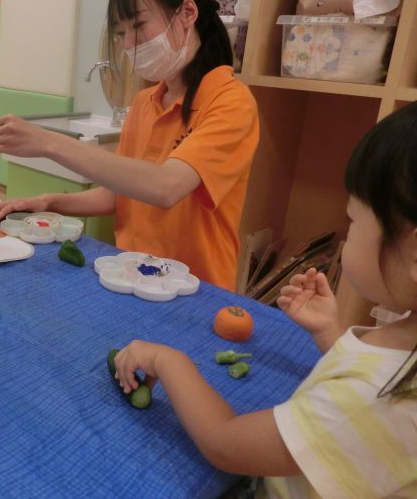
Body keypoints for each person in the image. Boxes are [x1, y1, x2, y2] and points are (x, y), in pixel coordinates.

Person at [113, 102, 417, 498]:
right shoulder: (398, 350)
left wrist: (167, 361)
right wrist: (329, 332)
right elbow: (372, 373)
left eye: (354, 219)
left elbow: (225, 444)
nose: (347, 232)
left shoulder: (369, 402)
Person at [0, 0, 259, 291]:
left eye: (138, 26)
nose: (130, 44)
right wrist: (49, 202)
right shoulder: (145, 103)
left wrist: (48, 143)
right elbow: (120, 195)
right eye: (121, 33)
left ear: (187, 13)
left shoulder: (231, 102)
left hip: (195, 291)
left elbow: (165, 188)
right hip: (130, 277)